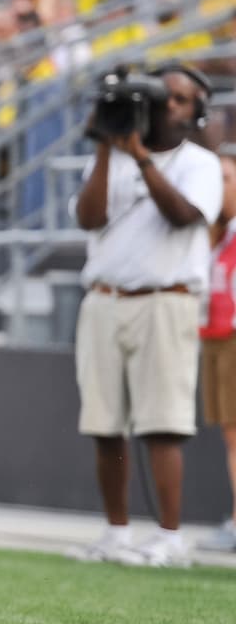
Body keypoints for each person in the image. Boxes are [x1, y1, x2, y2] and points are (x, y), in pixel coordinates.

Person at [70, 63, 222, 567]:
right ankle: (116, 533)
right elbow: (88, 217)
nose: (169, 106)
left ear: (198, 110)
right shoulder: (110, 159)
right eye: (163, 96)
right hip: (104, 299)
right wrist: (104, 145)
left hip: (165, 299)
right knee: (104, 424)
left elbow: (182, 215)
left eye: (181, 99)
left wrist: (140, 158)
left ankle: (169, 537)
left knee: (162, 425)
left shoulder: (200, 163)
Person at [198, 152, 236, 552]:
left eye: (225, 177)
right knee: (230, 435)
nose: (218, 186)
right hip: (214, 338)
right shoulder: (215, 232)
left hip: (232, 339)